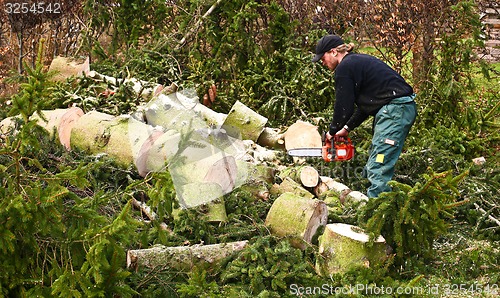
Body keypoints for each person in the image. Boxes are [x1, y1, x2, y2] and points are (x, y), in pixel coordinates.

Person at [312, 34, 417, 198]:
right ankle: (375, 204)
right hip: (395, 109)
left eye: (322, 58)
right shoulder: (355, 63)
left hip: (395, 111)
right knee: (377, 159)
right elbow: (367, 105)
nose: (322, 62)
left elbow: (343, 106)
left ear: (333, 52)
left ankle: (377, 214)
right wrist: (346, 128)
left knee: (379, 164)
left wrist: (332, 131)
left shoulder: (345, 68)